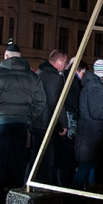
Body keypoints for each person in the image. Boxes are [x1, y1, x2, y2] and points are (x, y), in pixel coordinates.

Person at [0, 44, 46, 204]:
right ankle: (14, 199)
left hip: (0, 122)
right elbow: (41, 101)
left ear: (6, 56)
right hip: (21, 123)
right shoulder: (32, 76)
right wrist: (29, 118)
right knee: (18, 161)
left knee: (0, 161)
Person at [72, 59, 103, 189]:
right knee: (84, 169)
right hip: (90, 137)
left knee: (89, 168)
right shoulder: (95, 87)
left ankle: (87, 196)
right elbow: (97, 113)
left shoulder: (94, 85)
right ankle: (73, 198)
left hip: (90, 136)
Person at [29, 49, 69, 184]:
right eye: (65, 62)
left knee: (36, 157)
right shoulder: (53, 76)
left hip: (36, 120)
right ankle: (40, 186)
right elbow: (56, 102)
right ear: (59, 61)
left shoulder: (41, 72)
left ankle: (32, 183)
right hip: (45, 122)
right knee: (46, 160)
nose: (65, 65)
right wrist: (63, 123)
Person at [61, 58, 87, 187]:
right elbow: (74, 101)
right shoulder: (73, 82)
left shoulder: (65, 78)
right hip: (70, 121)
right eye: (83, 73)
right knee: (68, 156)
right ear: (78, 70)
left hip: (67, 120)